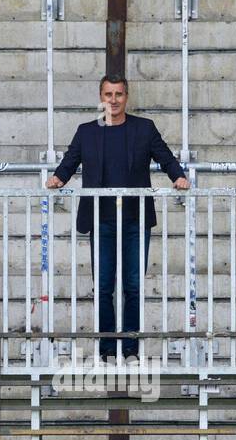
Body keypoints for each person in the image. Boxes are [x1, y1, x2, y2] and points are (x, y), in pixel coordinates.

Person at [47, 75, 190, 360]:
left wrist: (179, 177)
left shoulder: (144, 128)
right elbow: (70, 162)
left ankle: (130, 348)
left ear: (127, 96)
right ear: (101, 96)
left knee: (133, 287)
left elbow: (165, 157)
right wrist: (58, 178)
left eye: (119, 94)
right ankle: (106, 349)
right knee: (103, 287)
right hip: (101, 219)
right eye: (108, 94)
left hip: (136, 220)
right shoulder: (87, 132)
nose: (113, 100)